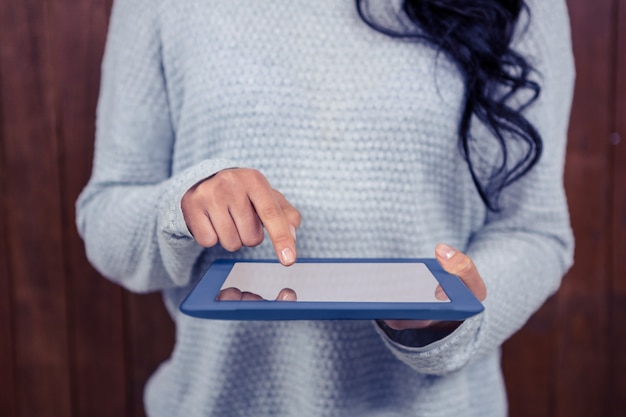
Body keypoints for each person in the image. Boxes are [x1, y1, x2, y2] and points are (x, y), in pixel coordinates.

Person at [76, 0, 575, 415]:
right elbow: (106, 214)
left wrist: (453, 316)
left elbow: (535, 230)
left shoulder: (527, 8)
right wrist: (182, 208)